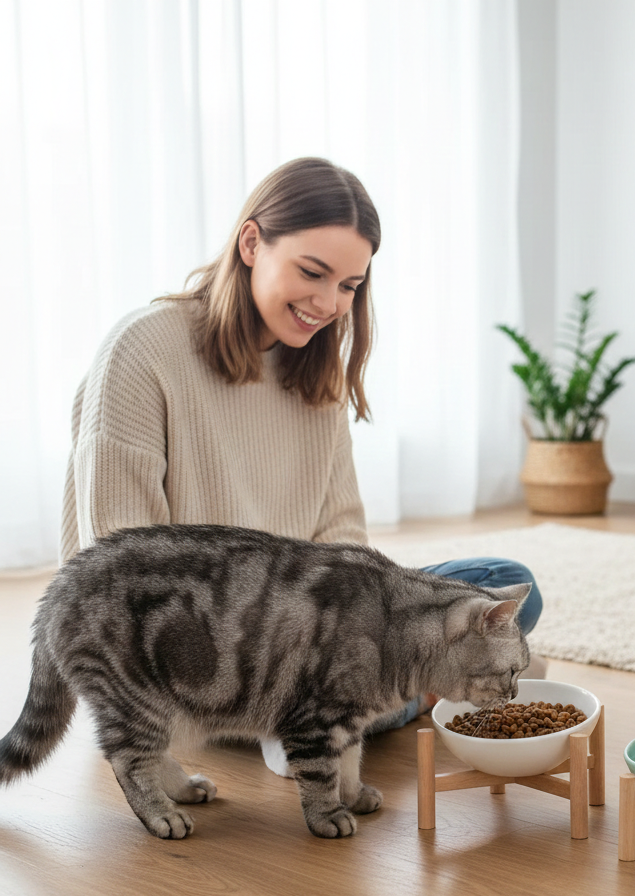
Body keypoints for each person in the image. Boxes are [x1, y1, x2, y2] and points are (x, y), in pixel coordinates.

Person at [60, 157, 544, 774]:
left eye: (349, 286)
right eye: (312, 273)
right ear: (252, 242)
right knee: (448, 642)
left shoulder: (316, 374)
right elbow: (117, 569)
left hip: (309, 636)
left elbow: (345, 540)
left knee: (504, 580)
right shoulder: (142, 351)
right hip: (202, 653)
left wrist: (357, 635)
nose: (328, 303)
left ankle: (346, 708)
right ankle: (330, 716)